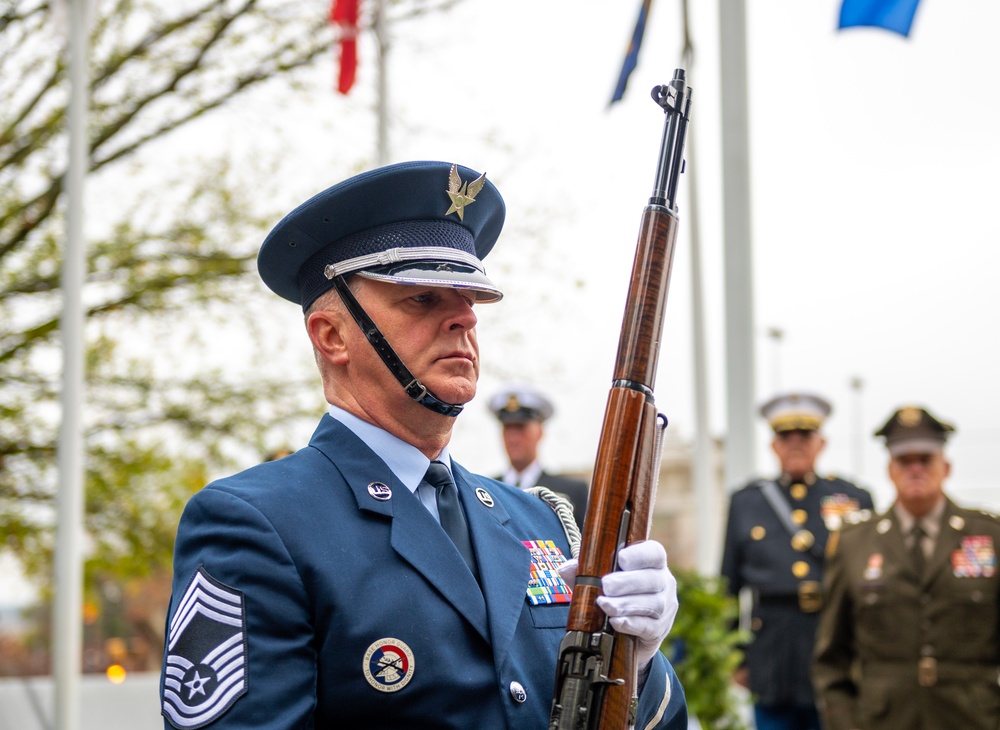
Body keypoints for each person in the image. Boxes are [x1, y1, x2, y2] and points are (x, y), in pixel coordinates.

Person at [159, 161, 687, 729]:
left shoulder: (540, 521)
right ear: (332, 335)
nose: (463, 317)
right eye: (422, 299)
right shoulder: (259, 525)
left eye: (468, 298)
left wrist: (639, 661)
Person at [813, 406, 1000, 730]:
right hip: (881, 720)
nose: (915, 469)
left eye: (925, 459)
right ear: (890, 469)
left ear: (946, 466)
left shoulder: (988, 536)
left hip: (972, 718)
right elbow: (831, 660)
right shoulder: (855, 543)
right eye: (904, 460)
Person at [720, 392, 873, 730]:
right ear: (773, 446)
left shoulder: (853, 498)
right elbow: (728, 584)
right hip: (771, 654)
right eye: (785, 437)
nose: (795, 444)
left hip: (835, 649)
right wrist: (736, 658)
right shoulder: (747, 502)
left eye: (804, 436)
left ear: (821, 443)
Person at [488, 384, 590, 528]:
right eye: (508, 429)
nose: (513, 439)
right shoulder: (485, 490)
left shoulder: (571, 492)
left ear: (540, 432)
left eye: (520, 428)